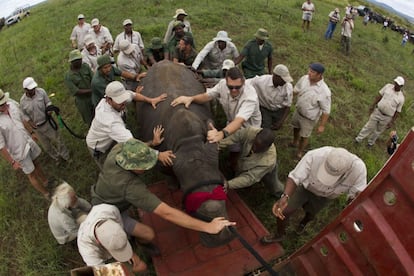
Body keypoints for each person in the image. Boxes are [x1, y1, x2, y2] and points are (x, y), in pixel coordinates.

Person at [90, 139, 235, 261]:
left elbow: (138, 146)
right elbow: (167, 213)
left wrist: (153, 145)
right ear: (132, 167)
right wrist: (207, 227)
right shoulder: (129, 186)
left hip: (112, 195)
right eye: (143, 166)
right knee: (148, 234)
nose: (146, 168)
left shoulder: (119, 150)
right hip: (110, 211)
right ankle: (138, 242)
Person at [261, 147, 367, 244]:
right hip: (307, 188)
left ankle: (303, 223)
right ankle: (279, 234)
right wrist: (285, 197)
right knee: (284, 211)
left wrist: (352, 210)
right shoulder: (315, 156)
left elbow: (355, 195)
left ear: (346, 171)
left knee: (311, 213)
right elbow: (295, 176)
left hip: (327, 197)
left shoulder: (359, 170)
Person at [86, 81, 166, 170]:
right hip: (100, 147)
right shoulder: (109, 121)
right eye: (120, 102)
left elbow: (133, 95)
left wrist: (150, 100)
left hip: (113, 137)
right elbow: (132, 145)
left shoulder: (117, 98)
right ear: (108, 100)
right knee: (111, 170)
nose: (124, 104)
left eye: (123, 99)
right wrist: (157, 152)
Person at [171, 67, 261, 143]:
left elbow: (239, 121)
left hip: (248, 129)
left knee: (241, 151)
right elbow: (207, 96)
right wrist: (191, 98)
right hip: (231, 124)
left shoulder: (250, 96)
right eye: (230, 87)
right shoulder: (222, 85)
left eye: (237, 87)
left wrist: (221, 134)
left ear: (243, 82)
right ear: (226, 82)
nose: (234, 90)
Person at [0, 89, 50, 198]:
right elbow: (1, 146)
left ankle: (46, 181)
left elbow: (22, 120)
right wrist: (12, 162)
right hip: (18, 151)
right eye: (1, 105)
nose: (4, 105)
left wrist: (32, 132)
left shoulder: (12, 105)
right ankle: (46, 193)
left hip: (28, 141)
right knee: (31, 173)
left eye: (4, 102)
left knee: (36, 162)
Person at [77, 204, 147, 273]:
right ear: (99, 242)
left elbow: (120, 228)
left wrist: (131, 254)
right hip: (101, 257)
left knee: (141, 266)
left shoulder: (109, 210)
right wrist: (124, 271)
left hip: (97, 217)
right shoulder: (86, 248)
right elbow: (101, 272)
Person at [218, 126, 283, 196]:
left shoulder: (268, 161)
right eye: (255, 144)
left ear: (267, 147)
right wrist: (217, 146)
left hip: (266, 169)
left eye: (259, 148)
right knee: (241, 167)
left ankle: (280, 194)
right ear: (256, 135)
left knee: (273, 184)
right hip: (246, 160)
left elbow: (250, 178)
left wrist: (229, 184)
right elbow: (232, 138)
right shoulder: (250, 131)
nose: (254, 149)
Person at [20, 77, 70, 163]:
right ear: (25, 90)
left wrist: (49, 109)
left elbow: (48, 102)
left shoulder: (41, 92)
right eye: (31, 89)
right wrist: (30, 122)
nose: (33, 90)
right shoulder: (23, 101)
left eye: (33, 88)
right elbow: (24, 114)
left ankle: (66, 156)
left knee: (58, 140)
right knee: (47, 147)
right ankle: (57, 158)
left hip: (48, 122)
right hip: (37, 128)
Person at [290, 63, 331, 159]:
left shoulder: (324, 91)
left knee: (304, 135)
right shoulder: (304, 79)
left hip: (309, 118)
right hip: (298, 111)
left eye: (312, 72)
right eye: (309, 70)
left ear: (319, 75)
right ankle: (294, 142)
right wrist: (289, 96)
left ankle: (300, 152)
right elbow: (296, 89)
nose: (309, 73)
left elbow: (326, 111)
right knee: (295, 127)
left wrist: (322, 126)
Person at [355, 77, 405, 147]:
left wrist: (392, 121)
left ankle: (370, 143)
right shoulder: (388, 86)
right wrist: (372, 106)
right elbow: (379, 96)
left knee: (378, 131)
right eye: (395, 83)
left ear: (401, 86)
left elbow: (398, 111)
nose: (396, 85)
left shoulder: (401, 98)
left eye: (398, 84)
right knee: (369, 126)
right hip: (378, 111)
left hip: (387, 117)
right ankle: (358, 139)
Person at [246, 64, 293, 130]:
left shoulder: (288, 87)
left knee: (275, 126)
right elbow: (245, 83)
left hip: (279, 110)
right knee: (265, 128)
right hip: (265, 108)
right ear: (275, 76)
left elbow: (288, 106)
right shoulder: (261, 81)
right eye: (283, 79)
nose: (285, 82)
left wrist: (281, 122)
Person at [64, 49, 94, 125]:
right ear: (72, 62)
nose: (80, 61)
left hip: (93, 96)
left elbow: (93, 78)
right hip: (83, 101)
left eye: (81, 59)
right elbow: (76, 91)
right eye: (78, 60)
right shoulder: (69, 76)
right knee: (90, 120)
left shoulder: (85, 67)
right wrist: (91, 90)